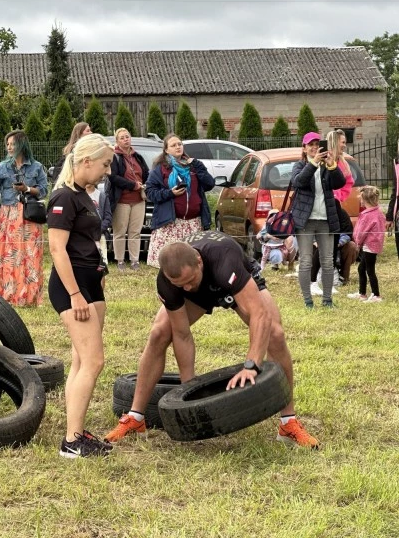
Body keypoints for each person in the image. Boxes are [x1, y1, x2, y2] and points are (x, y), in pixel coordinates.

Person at [104, 231, 320, 449]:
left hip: (235, 282)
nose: (186, 287)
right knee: (159, 333)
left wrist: (252, 365)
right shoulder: (169, 283)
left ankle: (288, 423)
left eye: (189, 281)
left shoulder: (224, 258)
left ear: (198, 261)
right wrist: (187, 393)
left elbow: (259, 315)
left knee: (275, 334)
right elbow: (182, 334)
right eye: (180, 285)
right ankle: (136, 417)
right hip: (201, 293)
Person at [47, 133, 115, 458]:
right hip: (70, 287)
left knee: (81, 359)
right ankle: (71, 442)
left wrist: (98, 276)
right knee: (94, 361)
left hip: (91, 282)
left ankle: (76, 432)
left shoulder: (85, 196)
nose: (107, 171)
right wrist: (75, 294)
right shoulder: (63, 197)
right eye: (104, 164)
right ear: (86, 161)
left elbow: (88, 242)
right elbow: (57, 249)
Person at [0, 130, 48, 306]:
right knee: (10, 255)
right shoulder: (3, 166)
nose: (10, 147)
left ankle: (31, 297)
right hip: (9, 216)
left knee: (30, 254)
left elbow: (43, 190)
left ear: (22, 145)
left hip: (29, 215)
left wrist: (27, 189)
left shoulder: (36, 167)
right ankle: (9, 295)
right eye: (8, 144)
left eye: (13, 144)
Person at [290, 132, 346, 308]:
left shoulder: (325, 166)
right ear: (304, 148)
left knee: (327, 261)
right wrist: (313, 163)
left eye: (317, 144)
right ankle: (308, 300)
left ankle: (327, 299)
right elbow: (298, 182)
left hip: (325, 219)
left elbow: (339, 183)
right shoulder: (300, 165)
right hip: (305, 221)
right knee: (306, 260)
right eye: (310, 144)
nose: (314, 147)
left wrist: (332, 166)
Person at [145, 133, 214, 268]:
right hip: (170, 223)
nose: (178, 147)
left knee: (191, 264)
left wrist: (198, 165)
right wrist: (170, 193)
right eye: (173, 145)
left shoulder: (193, 166)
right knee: (170, 264)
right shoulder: (161, 168)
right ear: (166, 150)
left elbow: (209, 184)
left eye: (179, 144)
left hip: (193, 223)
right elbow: (150, 192)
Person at [108, 127, 149, 270]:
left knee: (135, 232)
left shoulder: (138, 156)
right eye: (122, 138)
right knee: (120, 231)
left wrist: (145, 185)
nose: (126, 139)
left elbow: (146, 173)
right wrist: (132, 185)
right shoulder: (114, 157)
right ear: (117, 141)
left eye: (127, 136)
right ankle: (120, 261)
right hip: (122, 200)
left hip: (139, 199)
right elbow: (113, 177)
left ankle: (135, 261)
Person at [348, 186, 385, 303]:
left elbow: (361, 232)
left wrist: (357, 242)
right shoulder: (378, 213)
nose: (360, 201)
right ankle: (362, 293)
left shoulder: (366, 215)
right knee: (361, 268)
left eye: (361, 198)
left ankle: (376, 295)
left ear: (364, 199)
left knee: (370, 270)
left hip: (368, 245)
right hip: (374, 245)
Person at [85, 179, 112, 288]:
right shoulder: (78, 196)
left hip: (99, 237)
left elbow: (108, 217)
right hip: (83, 238)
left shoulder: (102, 196)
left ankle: (100, 295)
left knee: (101, 267)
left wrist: (99, 230)